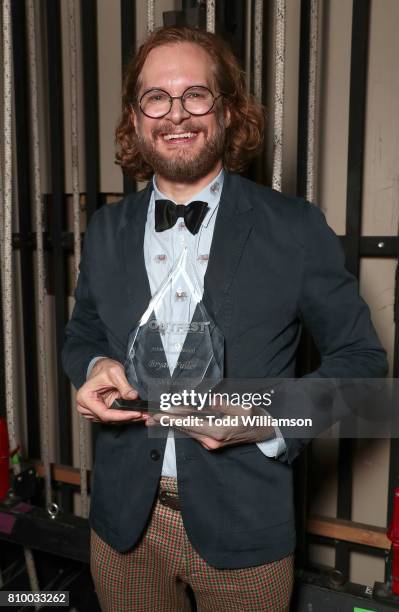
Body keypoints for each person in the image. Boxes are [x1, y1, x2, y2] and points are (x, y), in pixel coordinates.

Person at [62, 26, 388, 612]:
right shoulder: (106, 229)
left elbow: (365, 369)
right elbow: (81, 333)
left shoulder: (295, 228)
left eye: (197, 94)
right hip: (122, 528)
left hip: (246, 534)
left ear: (229, 110)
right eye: (156, 97)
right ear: (136, 119)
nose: (176, 114)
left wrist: (264, 418)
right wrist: (94, 363)